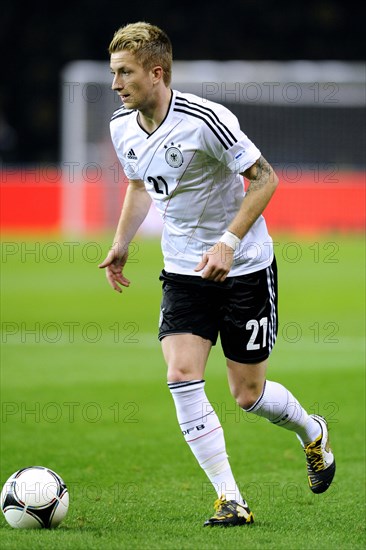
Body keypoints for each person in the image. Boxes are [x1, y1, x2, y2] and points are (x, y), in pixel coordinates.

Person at [99, 21, 336, 527]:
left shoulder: (205, 119)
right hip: (183, 269)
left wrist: (228, 242)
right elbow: (140, 185)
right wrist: (121, 244)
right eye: (113, 73)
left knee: (247, 395)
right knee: (181, 375)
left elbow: (266, 178)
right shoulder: (122, 125)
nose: (116, 85)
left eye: (124, 73)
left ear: (156, 72)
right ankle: (231, 498)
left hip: (245, 266)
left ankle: (310, 431)